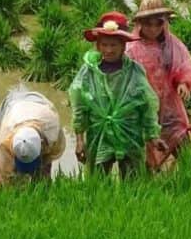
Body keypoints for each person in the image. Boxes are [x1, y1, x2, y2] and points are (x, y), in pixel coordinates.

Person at [69, 12, 162, 177]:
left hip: (129, 134)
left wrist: (153, 136)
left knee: (133, 182)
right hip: (99, 134)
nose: (109, 50)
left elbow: (147, 105)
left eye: (113, 45)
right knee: (97, 183)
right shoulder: (88, 71)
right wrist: (79, 140)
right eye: (104, 45)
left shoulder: (134, 71)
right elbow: (79, 106)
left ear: (123, 46)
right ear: (98, 46)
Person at [126, 0, 191, 170]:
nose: (153, 29)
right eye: (147, 24)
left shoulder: (172, 45)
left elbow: (184, 66)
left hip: (171, 109)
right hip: (143, 110)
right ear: (139, 24)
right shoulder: (131, 48)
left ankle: (189, 184)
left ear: (164, 23)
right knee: (147, 155)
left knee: (187, 153)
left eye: (158, 23)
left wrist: (183, 83)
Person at [0, 88, 66, 187]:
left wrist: (42, 170)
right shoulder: (4, 140)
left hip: (40, 104)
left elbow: (51, 156)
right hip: (12, 106)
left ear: (42, 143)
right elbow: (5, 177)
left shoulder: (52, 130)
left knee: (43, 173)